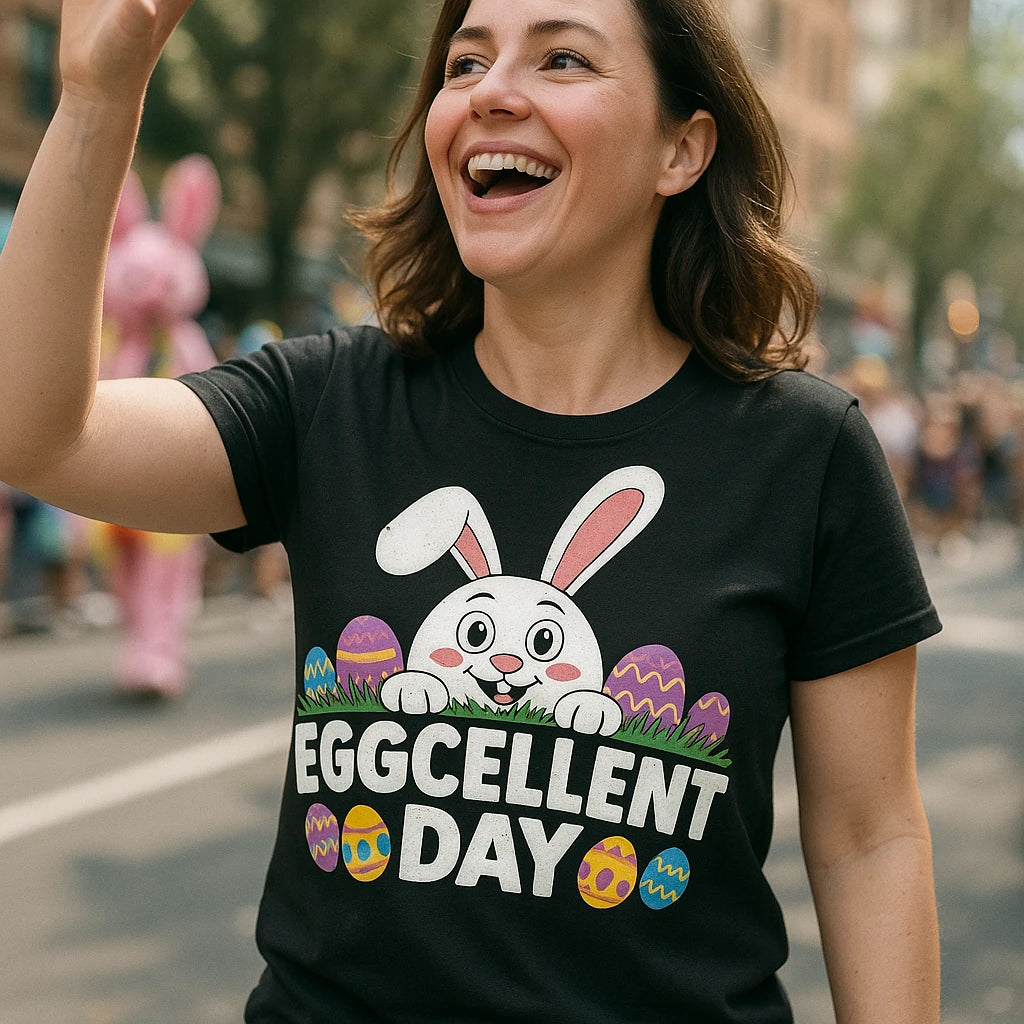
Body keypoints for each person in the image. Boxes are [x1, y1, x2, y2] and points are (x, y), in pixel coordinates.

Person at [0, 1, 942, 1022]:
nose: (491, 91)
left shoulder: (803, 453)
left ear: (683, 148)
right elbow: (37, 433)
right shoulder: (327, 405)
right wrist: (98, 96)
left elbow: (866, 834)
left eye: (562, 57)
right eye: (465, 62)